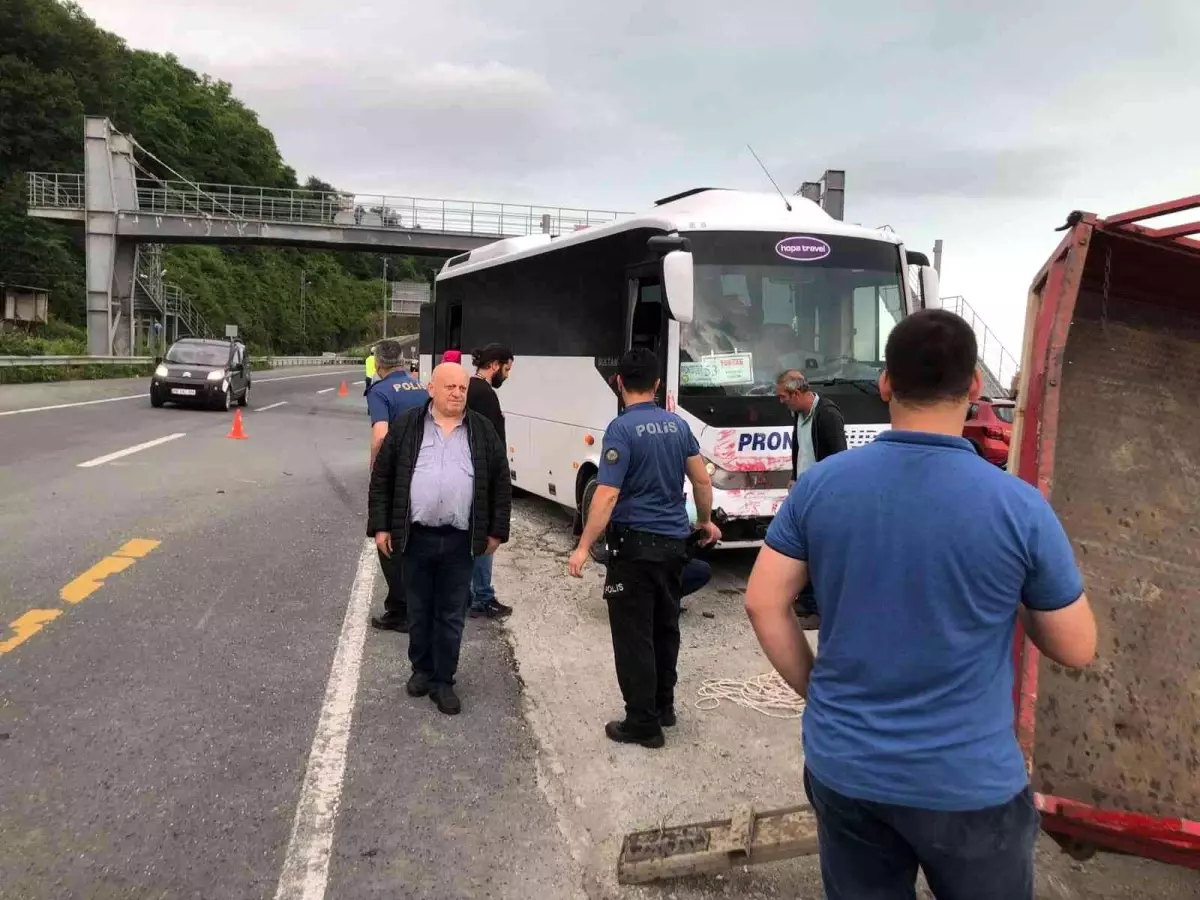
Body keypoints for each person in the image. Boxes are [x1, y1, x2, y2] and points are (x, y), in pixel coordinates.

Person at [744, 309, 1097, 900]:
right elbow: (1076, 647)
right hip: (969, 785)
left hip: (847, 768)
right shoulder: (1019, 507)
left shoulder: (821, 486)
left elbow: (762, 603)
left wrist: (820, 692)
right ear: (975, 385)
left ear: (886, 383)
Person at [568, 348, 721, 748]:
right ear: (656, 384)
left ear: (619, 383)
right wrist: (705, 522)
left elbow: (606, 495)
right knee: (665, 628)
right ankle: (664, 707)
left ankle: (642, 723)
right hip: (674, 546)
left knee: (634, 635)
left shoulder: (621, 430)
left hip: (634, 550)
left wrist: (584, 546)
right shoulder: (677, 425)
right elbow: (702, 482)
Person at [368, 362, 512, 716]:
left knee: (451, 614)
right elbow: (383, 477)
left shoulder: (482, 431)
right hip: (416, 537)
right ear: (431, 389)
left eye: (462, 388)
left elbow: (500, 483)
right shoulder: (407, 427)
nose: (457, 393)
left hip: (460, 541)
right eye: (449, 387)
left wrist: (496, 531)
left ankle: (444, 680)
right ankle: (422, 669)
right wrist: (381, 527)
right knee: (418, 610)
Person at [774, 370, 848, 627]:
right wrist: (794, 475)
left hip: (824, 497)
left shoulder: (827, 415)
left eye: (783, 396)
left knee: (818, 553)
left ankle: (818, 610)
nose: (781, 401)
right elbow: (800, 448)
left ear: (796, 394)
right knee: (803, 550)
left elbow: (839, 460)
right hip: (804, 494)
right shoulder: (799, 414)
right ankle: (805, 602)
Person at [365, 340, 428, 632]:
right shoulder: (421, 387)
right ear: (403, 362)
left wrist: (377, 468)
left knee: (387, 537)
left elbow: (380, 435)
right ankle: (420, 604)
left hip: (398, 474)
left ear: (378, 365)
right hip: (427, 470)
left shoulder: (379, 391)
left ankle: (401, 610)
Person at [466, 343, 515, 619]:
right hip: (482, 475)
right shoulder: (485, 394)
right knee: (484, 535)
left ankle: (468, 594)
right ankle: (482, 597)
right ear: (495, 365)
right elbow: (489, 440)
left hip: (470, 472)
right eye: (506, 369)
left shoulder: (469, 387)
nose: (507, 376)